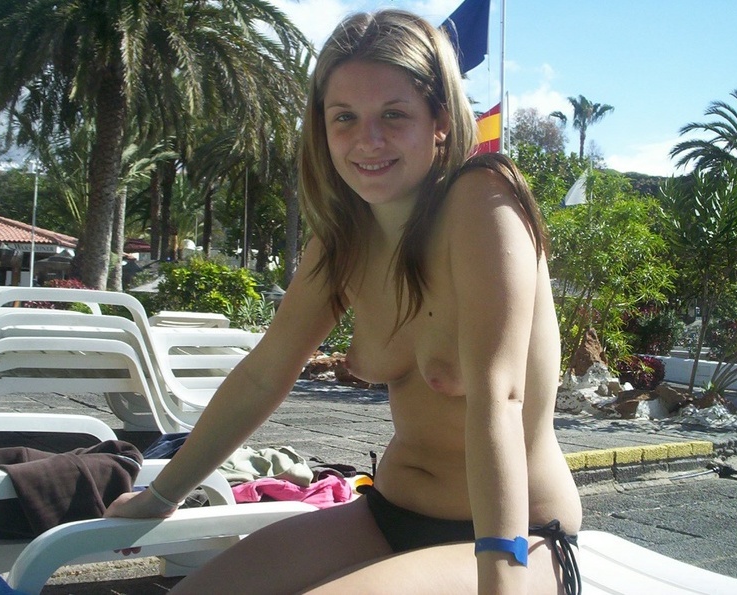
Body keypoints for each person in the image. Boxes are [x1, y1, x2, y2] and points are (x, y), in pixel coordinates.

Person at [106, 9, 582, 594]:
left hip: (520, 537)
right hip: (388, 516)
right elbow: (263, 374)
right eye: (345, 118)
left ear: (439, 119)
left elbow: (500, 398)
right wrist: (159, 497)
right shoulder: (346, 238)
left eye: (393, 114)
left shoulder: (483, 200)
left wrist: (501, 581)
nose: (367, 140)